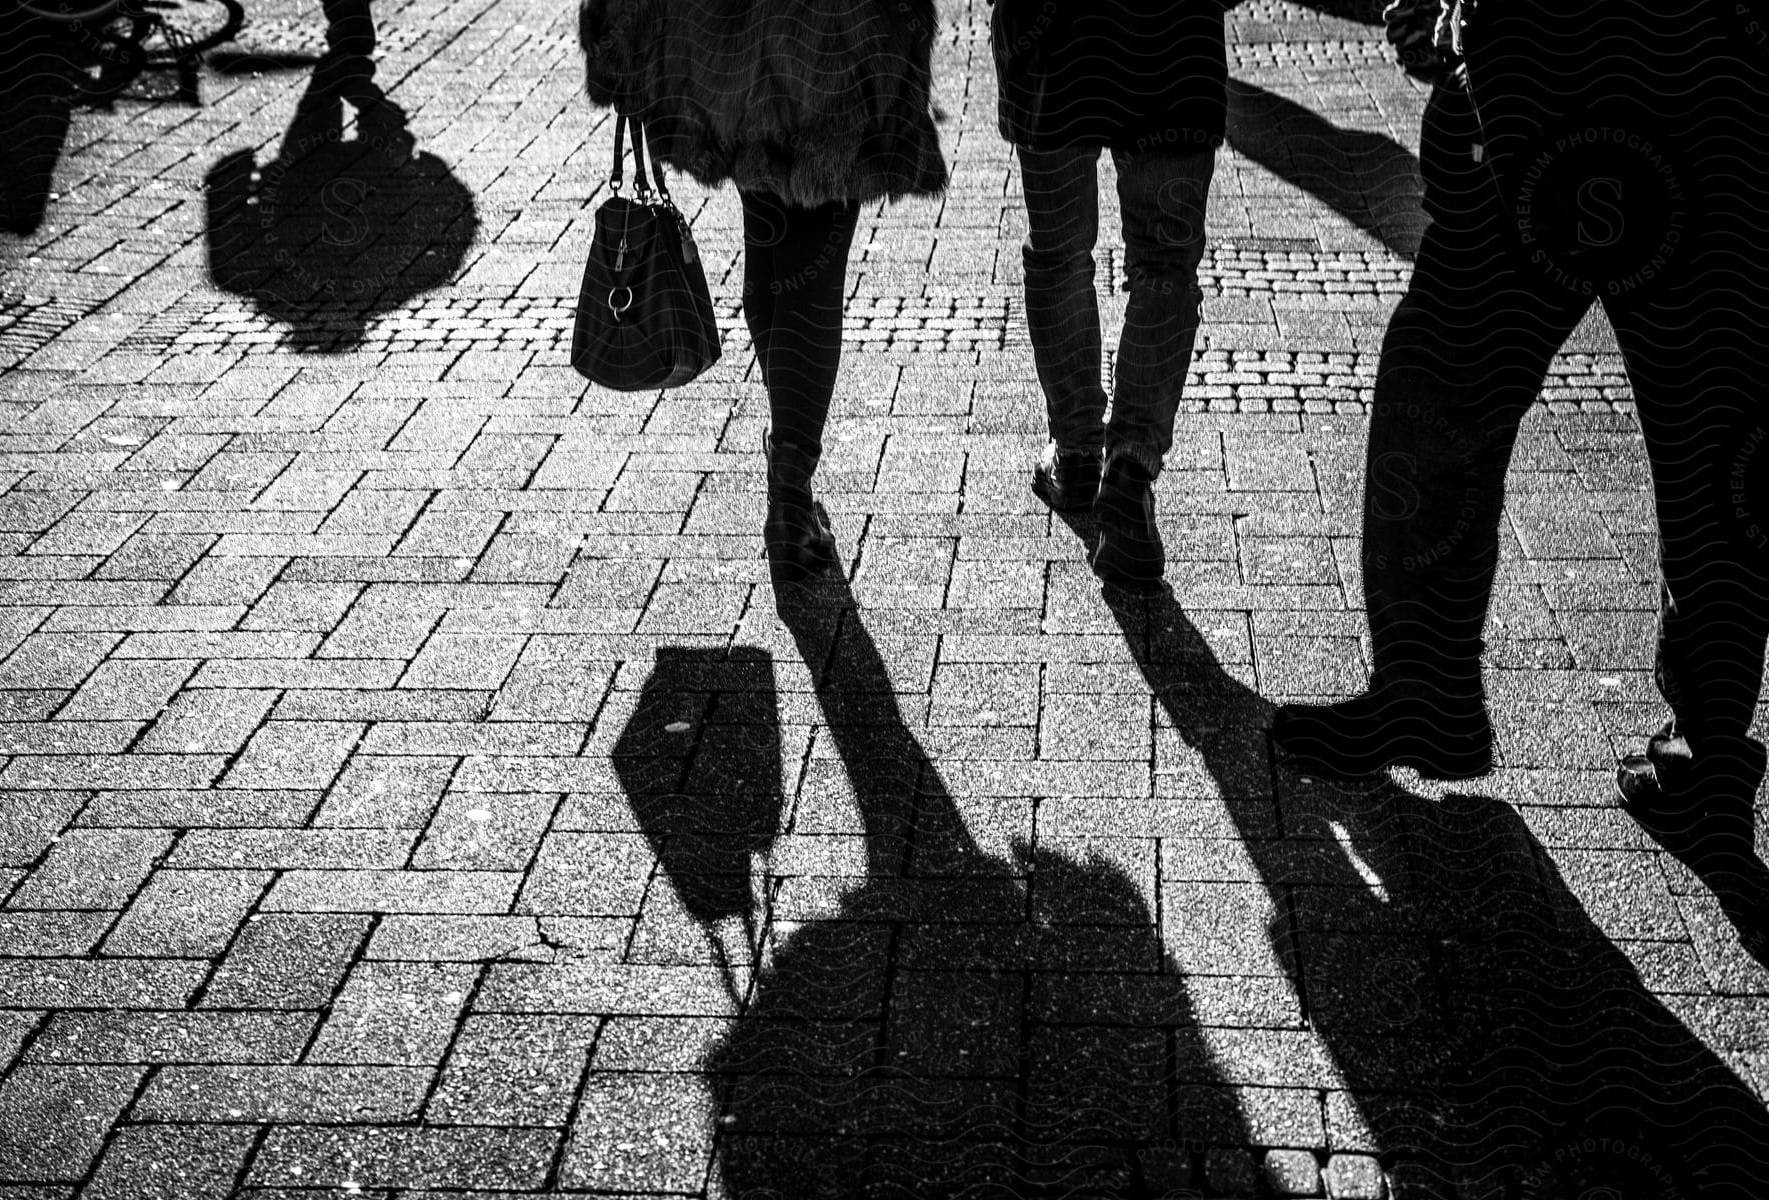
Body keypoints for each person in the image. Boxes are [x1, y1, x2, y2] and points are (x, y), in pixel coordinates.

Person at [1272, 2, 1769, 870]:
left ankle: (1428, 689)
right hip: (1704, 81)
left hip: (1563, 76)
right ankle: (1708, 751)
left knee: (1445, 378)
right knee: (1715, 439)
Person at [578, 0, 948, 581]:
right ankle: (790, 498)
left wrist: (618, 37)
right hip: (840, 42)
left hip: (730, 41)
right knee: (811, 271)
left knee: (772, 250)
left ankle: (790, 486)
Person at [989, 0, 1227, 586]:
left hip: (1053, 35)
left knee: (1059, 255)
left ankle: (1075, 455)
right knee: (1166, 266)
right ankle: (1128, 473)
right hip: (1172, 33)